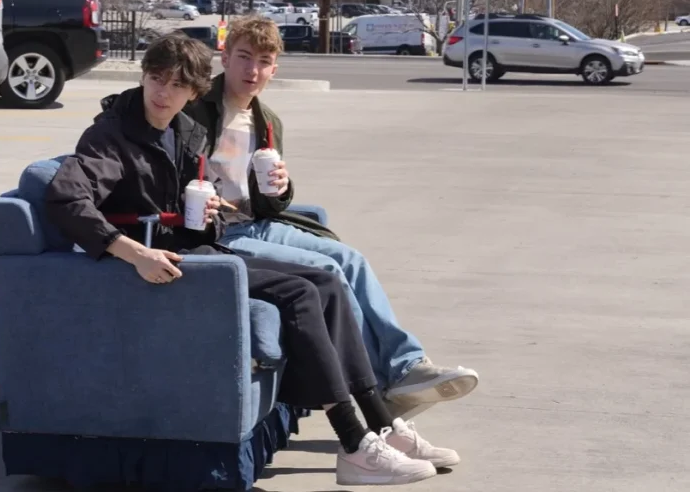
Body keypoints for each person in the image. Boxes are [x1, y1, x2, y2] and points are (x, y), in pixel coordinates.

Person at [43, 32, 459, 486]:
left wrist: (211, 214)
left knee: (328, 281)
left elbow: (192, 215)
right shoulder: (112, 135)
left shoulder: (185, 132)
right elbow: (66, 199)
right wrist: (133, 253)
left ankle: (382, 425)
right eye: (156, 79)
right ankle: (355, 443)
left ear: (194, 93)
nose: (164, 93)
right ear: (143, 77)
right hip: (150, 266)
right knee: (300, 293)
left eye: (177, 85)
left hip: (194, 252)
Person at [183, 16, 479, 419]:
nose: (252, 70)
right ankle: (377, 386)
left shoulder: (268, 122)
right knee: (326, 269)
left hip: (258, 223)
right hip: (221, 234)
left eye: (263, 61)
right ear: (225, 58)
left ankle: (408, 365)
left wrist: (281, 188)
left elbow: (272, 204)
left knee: (351, 259)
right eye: (243, 57)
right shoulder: (196, 112)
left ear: (274, 69)